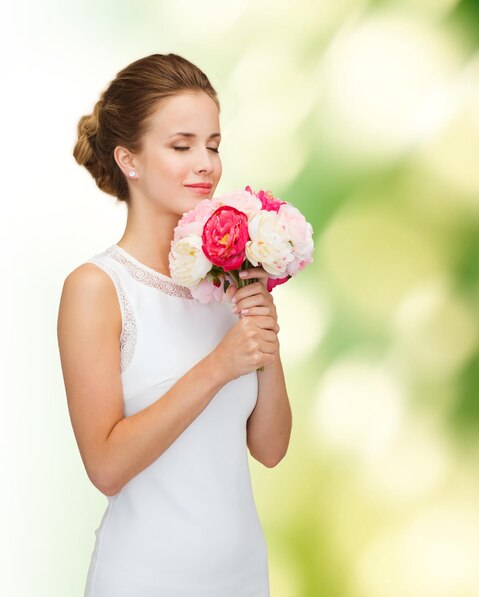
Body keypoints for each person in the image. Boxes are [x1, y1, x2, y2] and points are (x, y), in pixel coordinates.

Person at [56, 53, 292, 597]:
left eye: (212, 145)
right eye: (182, 145)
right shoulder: (97, 288)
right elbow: (107, 467)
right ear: (129, 160)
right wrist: (218, 366)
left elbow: (272, 448)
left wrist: (263, 335)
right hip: (145, 579)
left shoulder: (229, 280)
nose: (205, 163)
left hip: (242, 576)